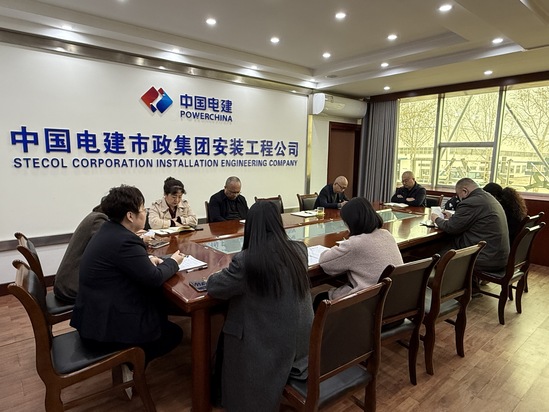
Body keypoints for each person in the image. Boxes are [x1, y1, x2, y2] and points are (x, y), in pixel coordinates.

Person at [206, 201, 313, 412]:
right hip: (300, 340)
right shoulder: (299, 249)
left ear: (251, 226)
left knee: (227, 330)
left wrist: (218, 272)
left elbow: (215, 287)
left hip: (268, 346)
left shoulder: (247, 260)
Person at [70, 185, 185, 366]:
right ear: (130, 216)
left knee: (158, 304)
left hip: (93, 319)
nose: (146, 213)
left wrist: (147, 261)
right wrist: (174, 262)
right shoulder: (125, 240)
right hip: (104, 331)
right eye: (143, 209)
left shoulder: (108, 230)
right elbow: (154, 278)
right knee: (174, 333)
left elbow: (125, 264)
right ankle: (132, 365)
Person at [317, 197, 403, 302]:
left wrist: (344, 245)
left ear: (351, 222)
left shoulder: (355, 244)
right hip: (394, 298)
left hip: (370, 302)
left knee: (320, 299)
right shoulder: (386, 234)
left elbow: (325, 263)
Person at [431, 178, 510, 272]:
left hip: (483, 258)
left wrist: (436, 218)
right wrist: (452, 216)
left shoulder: (470, 202)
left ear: (465, 191)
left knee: (437, 254)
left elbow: (451, 227)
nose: (459, 198)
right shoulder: (488, 197)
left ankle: (444, 280)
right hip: (498, 257)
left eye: (458, 195)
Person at [53, 202, 108, 304]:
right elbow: (112, 249)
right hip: (72, 287)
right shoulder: (99, 220)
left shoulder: (95, 216)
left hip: (67, 282)